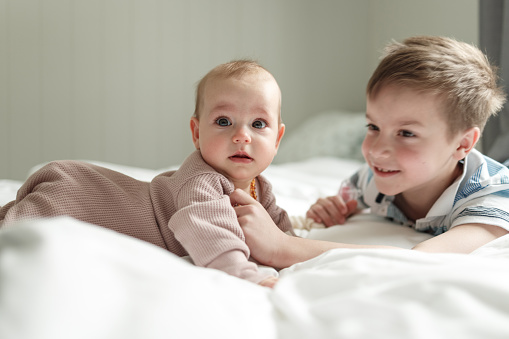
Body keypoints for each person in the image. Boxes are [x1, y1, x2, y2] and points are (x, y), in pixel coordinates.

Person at [0, 60, 291, 287]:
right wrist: (243, 275)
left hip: (86, 195)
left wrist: (316, 221)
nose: (241, 136)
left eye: (258, 124)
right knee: (13, 229)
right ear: (196, 132)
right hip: (79, 201)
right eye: (224, 121)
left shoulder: (260, 189)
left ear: (277, 140)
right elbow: (209, 231)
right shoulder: (200, 181)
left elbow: (280, 235)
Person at [230, 36, 509, 269]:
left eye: (407, 133)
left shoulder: (491, 199)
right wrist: (333, 207)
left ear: (462, 144)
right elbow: (348, 198)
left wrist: (285, 247)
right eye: (373, 126)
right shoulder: (371, 181)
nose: (376, 150)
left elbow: (420, 259)